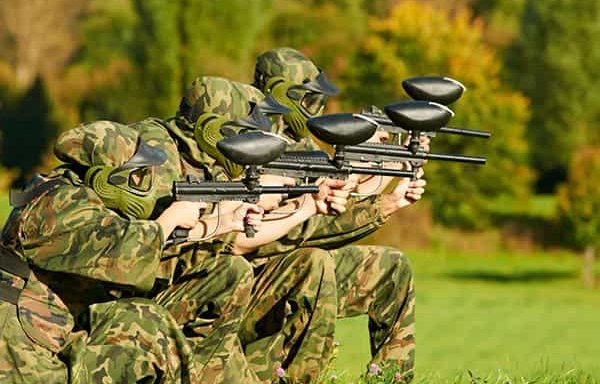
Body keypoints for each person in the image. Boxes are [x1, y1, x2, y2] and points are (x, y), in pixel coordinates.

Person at [0, 121, 259, 383]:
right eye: (137, 174)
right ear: (104, 178)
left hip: (49, 339)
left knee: (221, 276)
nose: (144, 182)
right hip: (22, 360)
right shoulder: (57, 205)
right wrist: (171, 219)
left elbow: (123, 248)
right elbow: (124, 256)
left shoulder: (73, 196)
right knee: (144, 322)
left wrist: (218, 224)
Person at [146, 75, 356, 383]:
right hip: (158, 302)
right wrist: (249, 198)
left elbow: (233, 236)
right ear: (212, 128)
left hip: (204, 292)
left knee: (309, 262)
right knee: (235, 270)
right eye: (240, 133)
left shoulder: (202, 158)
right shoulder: (163, 161)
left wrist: (309, 203)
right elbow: (230, 243)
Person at [252, 47, 428, 381]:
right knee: (314, 264)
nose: (318, 109)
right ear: (281, 95)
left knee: (391, 267)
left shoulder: (302, 149)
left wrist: (387, 173)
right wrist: (384, 204)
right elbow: (304, 230)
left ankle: (390, 378)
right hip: (263, 275)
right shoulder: (248, 148)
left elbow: (334, 208)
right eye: (310, 100)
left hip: (296, 267)